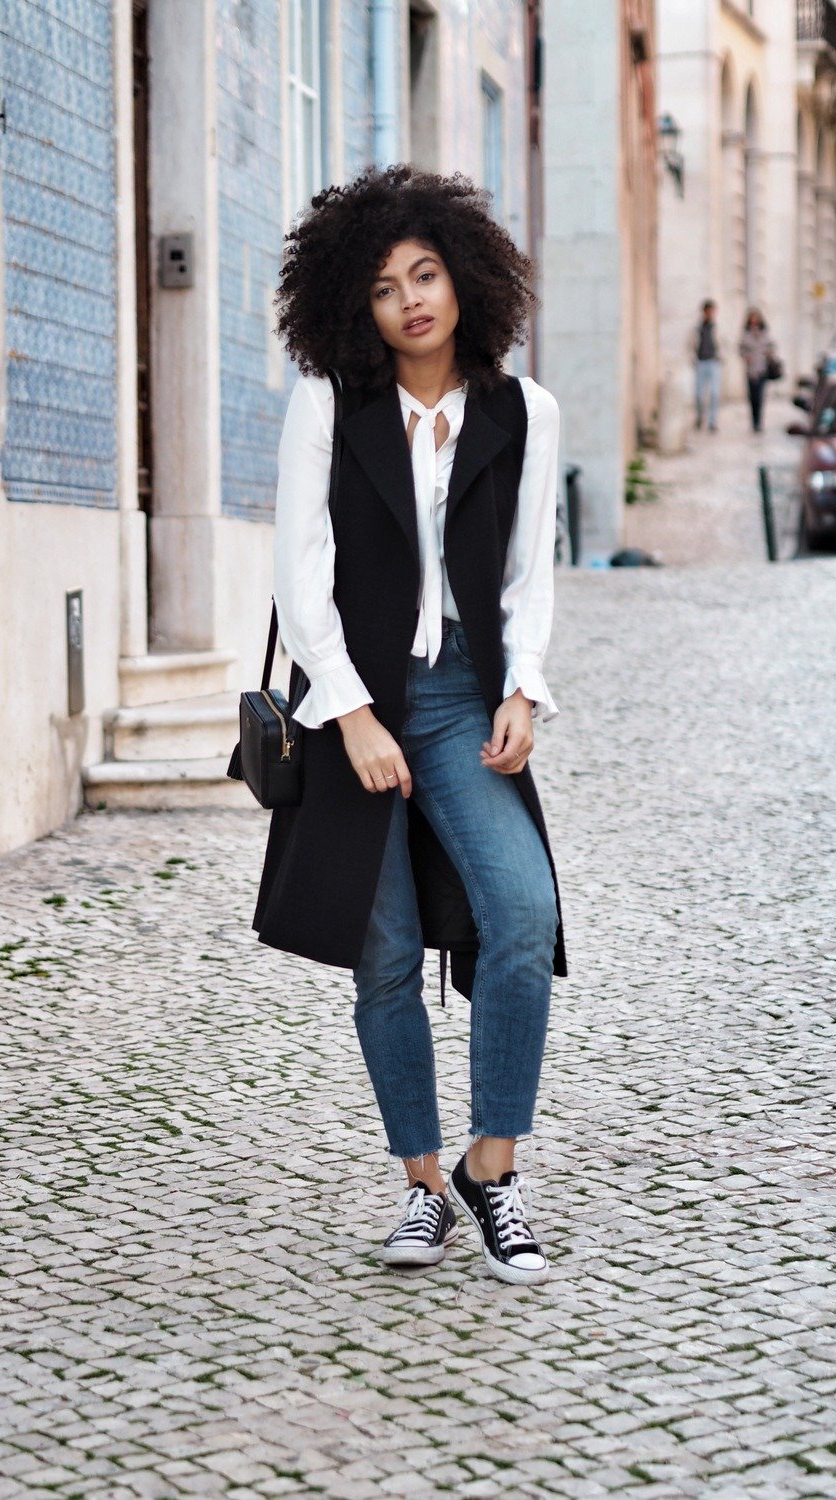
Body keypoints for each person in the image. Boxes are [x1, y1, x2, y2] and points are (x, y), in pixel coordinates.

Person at [253, 165, 566, 1286]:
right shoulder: (327, 407)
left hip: (462, 700)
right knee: (383, 956)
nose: (411, 302)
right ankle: (423, 1187)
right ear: (356, 305)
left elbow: (530, 574)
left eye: (426, 275)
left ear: (465, 278)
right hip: (353, 698)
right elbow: (300, 573)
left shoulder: (522, 412)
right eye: (384, 287)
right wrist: (348, 712)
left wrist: (521, 686)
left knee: (520, 913)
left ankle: (493, 1167)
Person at [739, 308, 778, 433]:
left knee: (760, 397)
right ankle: (754, 421)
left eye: (756, 318)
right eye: (752, 318)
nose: (754, 321)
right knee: (752, 397)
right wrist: (745, 356)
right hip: (750, 370)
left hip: (763, 369)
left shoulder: (765, 333)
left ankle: (759, 423)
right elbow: (740, 348)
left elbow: (772, 345)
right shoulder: (746, 333)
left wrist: (769, 352)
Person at [693, 299, 721, 432]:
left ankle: (712, 422)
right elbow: (690, 344)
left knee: (714, 393)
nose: (711, 313)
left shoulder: (717, 327)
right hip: (700, 362)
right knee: (699, 394)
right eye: (708, 310)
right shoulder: (698, 328)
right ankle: (699, 417)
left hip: (714, 363)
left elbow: (723, 343)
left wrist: (721, 357)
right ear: (704, 311)